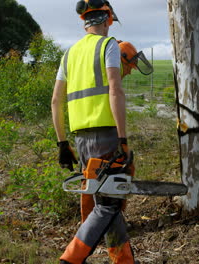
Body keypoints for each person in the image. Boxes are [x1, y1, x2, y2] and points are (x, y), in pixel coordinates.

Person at [51, 1, 152, 263]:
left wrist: (63, 143)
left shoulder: (69, 54)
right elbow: (115, 89)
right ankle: (71, 258)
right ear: (107, 19)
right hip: (106, 136)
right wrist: (122, 139)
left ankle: (123, 260)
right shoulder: (108, 45)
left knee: (108, 201)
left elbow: (55, 101)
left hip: (81, 140)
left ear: (84, 20)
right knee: (108, 204)